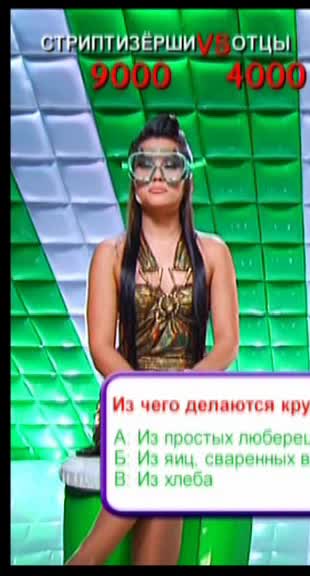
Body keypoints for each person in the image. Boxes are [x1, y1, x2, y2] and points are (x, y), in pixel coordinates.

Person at [67, 114, 239, 565]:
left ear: (187, 177)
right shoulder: (110, 255)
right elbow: (102, 348)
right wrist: (146, 396)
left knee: (172, 440)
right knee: (166, 450)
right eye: (146, 164)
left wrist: (184, 388)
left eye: (171, 164)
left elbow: (227, 346)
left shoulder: (214, 253)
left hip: (192, 404)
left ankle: (83, 561)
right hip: (131, 404)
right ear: (133, 176)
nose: (158, 174)